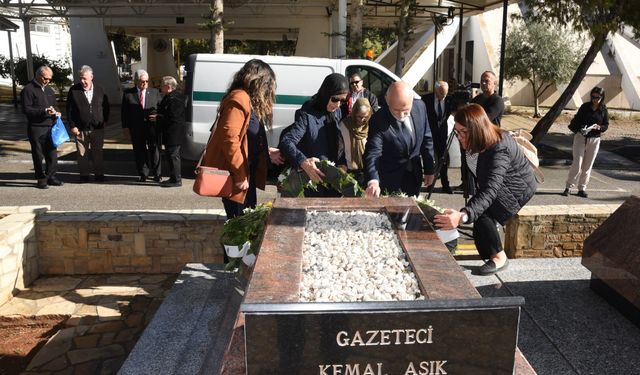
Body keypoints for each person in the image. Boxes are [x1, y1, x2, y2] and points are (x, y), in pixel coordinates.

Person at [434, 104, 536, 276]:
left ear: (476, 130)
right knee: (478, 213)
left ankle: (499, 258)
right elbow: (478, 173)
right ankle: (492, 253)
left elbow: (490, 190)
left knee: (483, 215)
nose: (459, 137)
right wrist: (468, 210)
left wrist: (463, 215)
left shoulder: (499, 148)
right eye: (456, 132)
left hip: (516, 189)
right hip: (497, 185)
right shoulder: (472, 139)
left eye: (463, 132)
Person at [201, 59, 284, 219]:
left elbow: (245, 137)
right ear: (258, 82)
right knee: (239, 227)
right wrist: (239, 176)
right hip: (236, 176)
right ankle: (233, 246)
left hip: (245, 173)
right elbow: (230, 140)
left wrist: (265, 152)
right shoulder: (239, 99)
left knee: (244, 223)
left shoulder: (245, 100)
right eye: (268, 84)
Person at [279, 73, 349, 197]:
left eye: (343, 100)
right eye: (335, 99)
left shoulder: (336, 112)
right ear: (326, 94)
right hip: (313, 181)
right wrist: (304, 162)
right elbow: (287, 141)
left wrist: (342, 164)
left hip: (332, 182)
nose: (338, 104)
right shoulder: (307, 114)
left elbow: (337, 141)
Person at [363, 81, 435, 197]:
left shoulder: (420, 107)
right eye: (396, 110)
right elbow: (373, 153)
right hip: (390, 179)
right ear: (387, 100)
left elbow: (426, 138)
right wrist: (373, 181)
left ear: (412, 101)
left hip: (414, 176)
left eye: (406, 111)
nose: (401, 115)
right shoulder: (378, 120)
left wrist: (429, 169)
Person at [66, 65, 110, 183]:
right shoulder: (74, 90)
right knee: (82, 153)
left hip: (97, 128)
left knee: (98, 152)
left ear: (91, 77)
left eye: (85, 78)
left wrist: (105, 120)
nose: (82, 81)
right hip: (80, 129)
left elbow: (106, 107)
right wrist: (72, 126)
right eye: (80, 78)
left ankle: (99, 174)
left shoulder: (100, 89)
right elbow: (69, 110)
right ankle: (84, 175)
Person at [562, 86, 609, 198]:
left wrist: (599, 127)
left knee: (587, 166)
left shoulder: (603, 109)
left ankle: (582, 188)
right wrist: (581, 128)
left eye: (598, 97)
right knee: (577, 164)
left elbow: (606, 125)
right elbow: (576, 121)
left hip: (594, 140)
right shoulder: (585, 107)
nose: (595, 99)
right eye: (593, 97)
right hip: (581, 138)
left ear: (602, 97)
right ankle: (568, 187)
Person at [21, 66, 63, 189]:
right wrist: (44, 111)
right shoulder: (28, 89)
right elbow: (26, 109)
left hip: (50, 125)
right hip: (36, 127)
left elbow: (55, 105)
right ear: (38, 75)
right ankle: (40, 178)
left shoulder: (49, 90)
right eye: (45, 78)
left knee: (52, 154)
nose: (47, 81)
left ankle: (51, 176)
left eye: (49, 79)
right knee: (38, 154)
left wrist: (57, 112)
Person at [121, 69, 161, 182]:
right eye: (142, 81)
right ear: (136, 81)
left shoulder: (154, 92)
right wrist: (125, 128)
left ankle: (157, 174)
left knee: (154, 149)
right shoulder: (128, 94)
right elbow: (124, 112)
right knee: (139, 150)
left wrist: (158, 116)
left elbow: (160, 108)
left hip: (152, 127)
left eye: (147, 81)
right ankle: (143, 173)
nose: (145, 83)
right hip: (136, 127)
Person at [149, 76, 185, 187]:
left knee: (173, 156)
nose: (160, 87)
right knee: (170, 155)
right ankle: (173, 177)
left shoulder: (175, 98)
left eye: (162, 85)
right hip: (169, 132)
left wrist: (158, 117)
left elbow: (173, 117)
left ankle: (177, 179)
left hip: (174, 133)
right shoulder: (169, 97)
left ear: (168, 86)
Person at [423, 80, 453, 193]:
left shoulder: (450, 100)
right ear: (435, 90)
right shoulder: (426, 100)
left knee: (443, 159)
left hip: (442, 135)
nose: (443, 96)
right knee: (430, 159)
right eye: (441, 93)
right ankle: (430, 185)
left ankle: (445, 185)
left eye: (445, 94)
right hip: (429, 134)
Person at [338, 97, 372, 186]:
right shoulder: (344, 125)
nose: (362, 120)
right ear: (354, 113)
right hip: (349, 171)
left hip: (368, 170)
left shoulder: (372, 126)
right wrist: (341, 165)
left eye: (365, 117)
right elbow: (339, 149)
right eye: (359, 116)